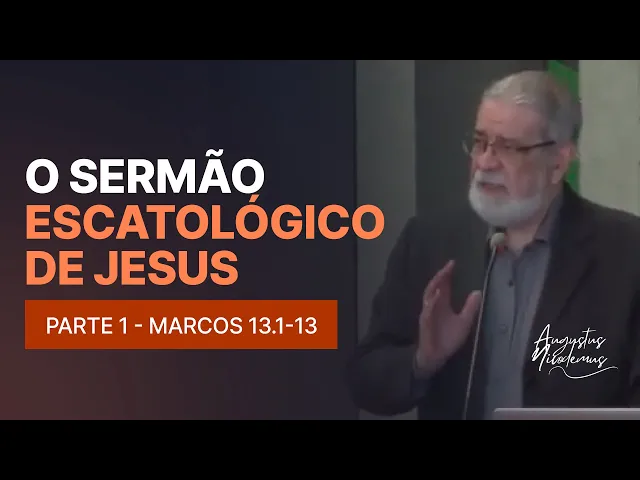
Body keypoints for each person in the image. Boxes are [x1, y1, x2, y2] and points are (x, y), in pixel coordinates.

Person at [347, 70, 640, 420]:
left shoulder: (626, 251)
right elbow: (366, 382)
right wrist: (423, 360)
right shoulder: (429, 240)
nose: (485, 162)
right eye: (480, 142)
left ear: (558, 162)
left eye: (508, 148)